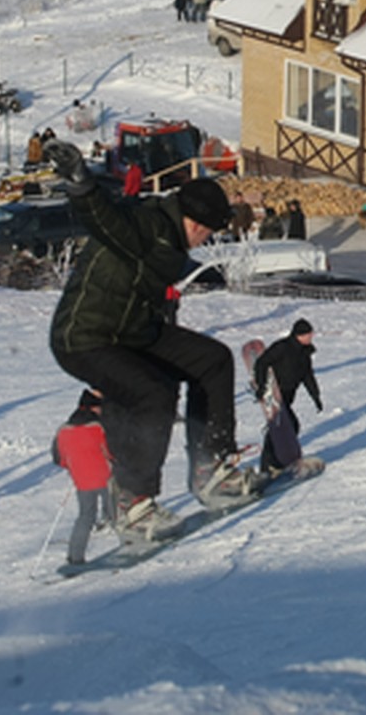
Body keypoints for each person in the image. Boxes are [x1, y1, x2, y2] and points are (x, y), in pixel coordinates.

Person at [43, 139, 255, 543]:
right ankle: (133, 503)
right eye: (208, 232)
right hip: (85, 337)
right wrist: (80, 181)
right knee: (153, 393)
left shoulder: (170, 236)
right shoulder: (148, 226)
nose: (206, 240)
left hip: (133, 331)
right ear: (195, 223)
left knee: (212, 360)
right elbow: (102, 217)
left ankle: (212, 469)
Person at [252, 318, 324, 475]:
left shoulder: (304, 352)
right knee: (287, 427)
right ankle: (268, 466)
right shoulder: (282, 347)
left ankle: (275, 463)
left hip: (288, 397)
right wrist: (261, 386)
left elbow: (307, 375)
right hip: (276, 395)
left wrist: (315, 396)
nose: (311, 336)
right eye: (308, 334)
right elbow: (262, 363)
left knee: (283, 428)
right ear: (299, 335)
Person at [52, 388, 112, 566]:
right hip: (106, 476)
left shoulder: (63, 430)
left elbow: (59, 458)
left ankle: (75, 557)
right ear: (94, 408)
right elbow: (111, 451)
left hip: (82, 480)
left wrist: (75, 466)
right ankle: (131, 543)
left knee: (85, 516)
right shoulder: (99, 427)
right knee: (119, 511)